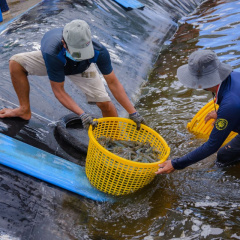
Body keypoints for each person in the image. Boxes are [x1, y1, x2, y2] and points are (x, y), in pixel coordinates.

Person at [0, 19, 145, 129]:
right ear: (64, 43)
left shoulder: (99, 51)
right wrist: (82, 114)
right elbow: (59, 90)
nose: (80, 55)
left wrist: (133, 112)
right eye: (77, 52)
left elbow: (113, 83)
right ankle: (24, 110)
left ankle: (113, 137)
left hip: (83, 68)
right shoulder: (52, 52)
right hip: (56, 62)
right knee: (16, 62)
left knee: (105, 103)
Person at [156, 49, 240, 174]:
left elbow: (212, 145)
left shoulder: (230, 104)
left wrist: (176, 164)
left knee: (222, 155)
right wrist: (221, 114)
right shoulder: (234, 77)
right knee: (225, 156)